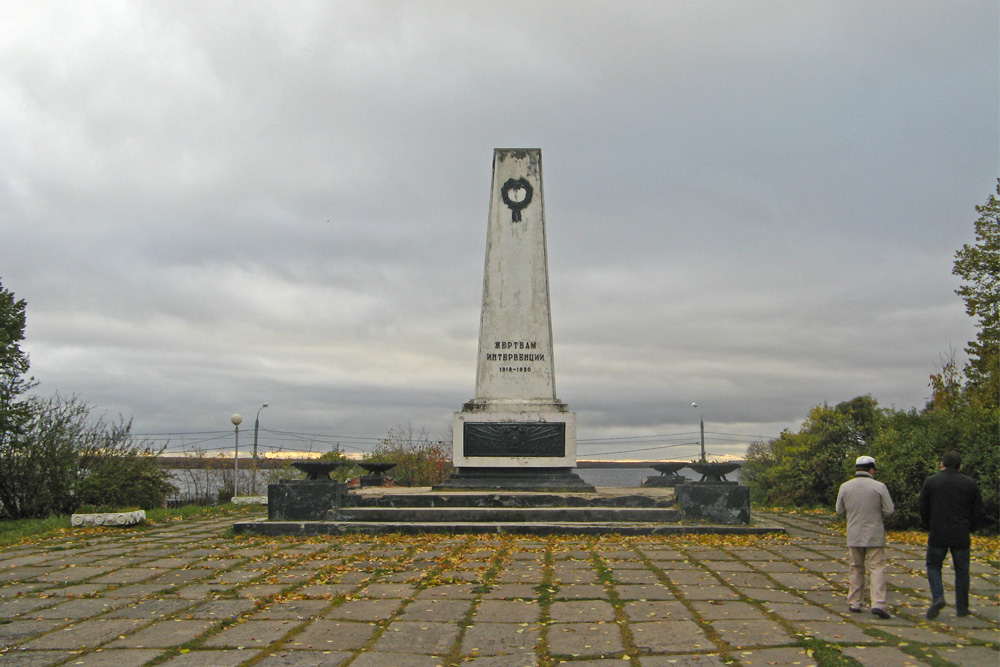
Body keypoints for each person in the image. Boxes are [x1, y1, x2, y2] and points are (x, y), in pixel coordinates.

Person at [917, 450, 986, 619]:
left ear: (942, 464)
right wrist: (971, 526)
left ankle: (938, 596)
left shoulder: (931, 482)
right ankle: (962, 608)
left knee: (933, 565)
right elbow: (978, 510)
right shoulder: (970, 483)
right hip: (961, 532)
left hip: (938, 531)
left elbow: (923, 506)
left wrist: (928, 524)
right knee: (962, 571)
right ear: (959, 465)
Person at [835, 455, 895, 618]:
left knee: (856, 567)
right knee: (876, 568)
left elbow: (839, 510)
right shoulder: (879, 486)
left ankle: (854, 602)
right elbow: (889, 510)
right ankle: (878, 603)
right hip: (874, 533)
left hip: (854, 533)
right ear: (871, 469)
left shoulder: (845, 487)